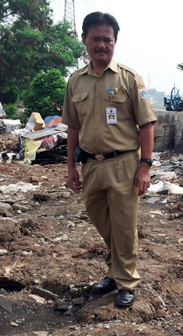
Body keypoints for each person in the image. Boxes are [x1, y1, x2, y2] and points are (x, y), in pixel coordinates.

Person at [62, 12, 156, 308]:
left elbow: (147, 125)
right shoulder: (75, 81)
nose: (101, 44)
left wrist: (145, 166)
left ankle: (125, 282)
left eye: (107, 39)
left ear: (115, 42)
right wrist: (70, 167)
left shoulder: (129, 79)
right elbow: (73, 127)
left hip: (124, 165)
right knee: (103, 222)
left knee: (125, 226)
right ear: (84, 40)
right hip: (91, 165)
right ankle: (117, 273)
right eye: (95, 39)